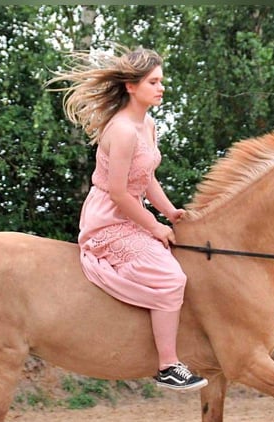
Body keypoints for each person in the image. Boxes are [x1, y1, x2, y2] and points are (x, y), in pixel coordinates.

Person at [47, 46, 207, 392]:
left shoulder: (147, 123)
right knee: (170, 279)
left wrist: (171, 212)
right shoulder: (121, 130)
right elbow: (119, 192)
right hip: (108, 221)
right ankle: (167, 365)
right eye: (153, 82)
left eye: (161, 81)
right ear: (131, 87)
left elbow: (145, 177)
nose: (161, 87)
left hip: (132, 214)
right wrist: (154, 226)